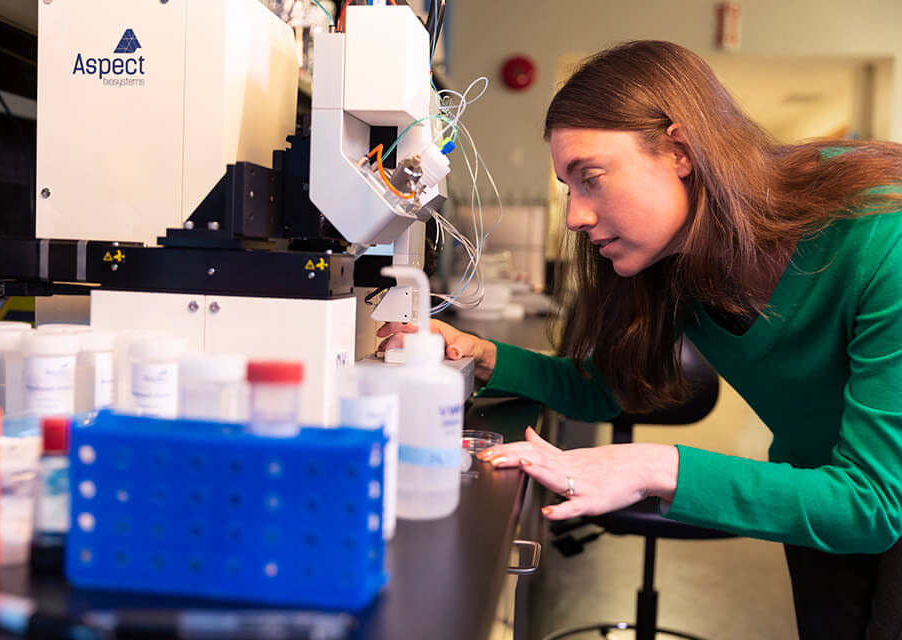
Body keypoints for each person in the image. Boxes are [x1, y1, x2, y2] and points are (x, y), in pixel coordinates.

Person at [378, 41, 902, 639]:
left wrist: (653, 466)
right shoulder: (680, 262)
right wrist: (482, 354)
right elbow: (603, 390)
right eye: (568, 188)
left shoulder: (880, 233)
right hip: (819, 502)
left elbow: (875, 502)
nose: (574, 215)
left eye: (591, 178)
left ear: (680, 150)